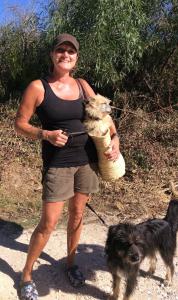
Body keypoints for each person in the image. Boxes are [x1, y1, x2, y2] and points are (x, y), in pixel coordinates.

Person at [15, 33, 120, 300]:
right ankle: (26, 275)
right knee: (48, 224)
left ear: (76, 58)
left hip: (85, 161)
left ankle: (70, 264)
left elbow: (104, 115)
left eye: (70, 52)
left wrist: (115, 139)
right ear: (52, 55)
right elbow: (20, 124)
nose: (65, 55)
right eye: (60, 50)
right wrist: (45, 135)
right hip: (58, 164)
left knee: (77, 216)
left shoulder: (83, 85)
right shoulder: (38, 87)